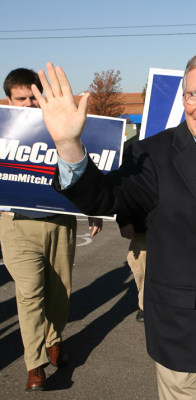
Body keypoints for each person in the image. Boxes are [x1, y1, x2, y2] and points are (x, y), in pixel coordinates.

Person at [33, 50, 196, 399]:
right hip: (182, 332)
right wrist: (68, 145)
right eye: (192, 95)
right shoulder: (152, 155)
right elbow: (105, 198)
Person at [0, 68, 103, 392]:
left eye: (34, 96)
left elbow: (85, 168)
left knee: (60, 292)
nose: (30, 103)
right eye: (22, 98)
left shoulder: (63, 127)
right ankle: (35, 365)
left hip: (61, 223)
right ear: (9, 99)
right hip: (16, 226)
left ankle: (54, 340)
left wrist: (94, 209)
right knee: (29, 294)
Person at [117, 213, 147, 322]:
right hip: (143, 227)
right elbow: (124, 196)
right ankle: (145, 306)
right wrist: (124, 220)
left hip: (173, 224)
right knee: (141, 270)